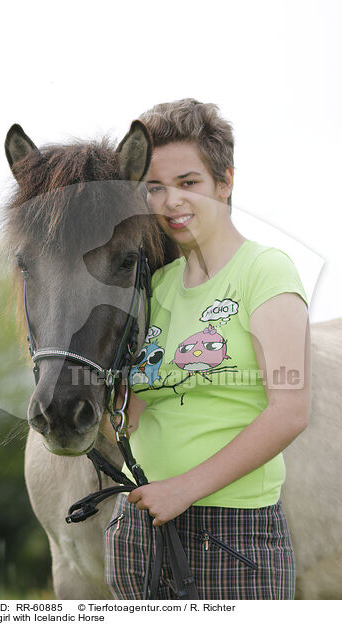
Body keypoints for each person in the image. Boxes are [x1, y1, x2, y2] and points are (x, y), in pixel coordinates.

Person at [102, 98, 311, 600]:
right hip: (138, 529)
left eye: (188, 183)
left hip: (233, 537)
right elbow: (133, 414)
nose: (171, 201)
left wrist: (184, 488)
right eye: (155, 187)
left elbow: (290, 411)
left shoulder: (266, 272)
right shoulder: (156, 285)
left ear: (225, 181)